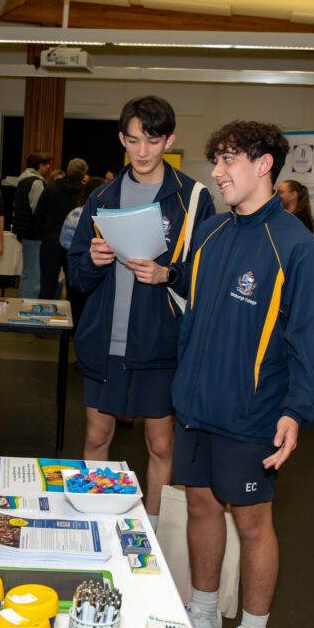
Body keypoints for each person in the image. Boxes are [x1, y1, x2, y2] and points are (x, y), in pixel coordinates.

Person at [172, 121, 314, 628]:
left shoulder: (294, 245)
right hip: (195, 404)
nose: (216, 172)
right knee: (200, 505)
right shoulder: (211, 231)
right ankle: (205, 613)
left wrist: (295, 411)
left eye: (228, 160)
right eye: (215, 160)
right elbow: (192, 315)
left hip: (252, 411)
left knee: (253, 523)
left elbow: (308, 341)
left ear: (263, 165)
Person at [68, 95, 215, 519]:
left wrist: (166, 273)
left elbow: (204, 275)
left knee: (161, 444)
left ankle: (151, 533)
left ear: (169, 139)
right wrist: (93, 264)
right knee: (97, 438)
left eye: (152, 141)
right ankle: (94, 523)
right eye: (133, 141)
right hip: (104, 341)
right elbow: (77, 275)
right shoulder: (101, 198)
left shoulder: (192, 198)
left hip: (160, 342)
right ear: (122, 139)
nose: (143, 151)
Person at [35, 157, 88, 299]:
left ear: (68, 170)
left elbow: (39, 214)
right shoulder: (84, 194)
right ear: (83, 175)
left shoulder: (51, 188)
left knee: (47, 285)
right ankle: (73, 320)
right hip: (74, 245)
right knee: (74, 287)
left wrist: (41, 237)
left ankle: (44, 318)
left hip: (51, 242)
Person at [60, 176, 106, 328]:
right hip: (92, 264)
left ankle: (75, 327)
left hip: (80, 263)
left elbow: (64, 241)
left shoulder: (75, 213)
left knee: (75, 299)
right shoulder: (107, 215)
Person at [12, 152, 53, 298]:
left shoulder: (23, 179)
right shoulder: (36, 182)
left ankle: (22, 303)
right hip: (33, 234)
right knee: (33, 275)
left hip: (24, 232)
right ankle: (27, 308)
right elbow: (39, 210)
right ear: (40, 166)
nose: (48, 167)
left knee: (28, 272)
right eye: (46, 164)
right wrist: (43, 234)